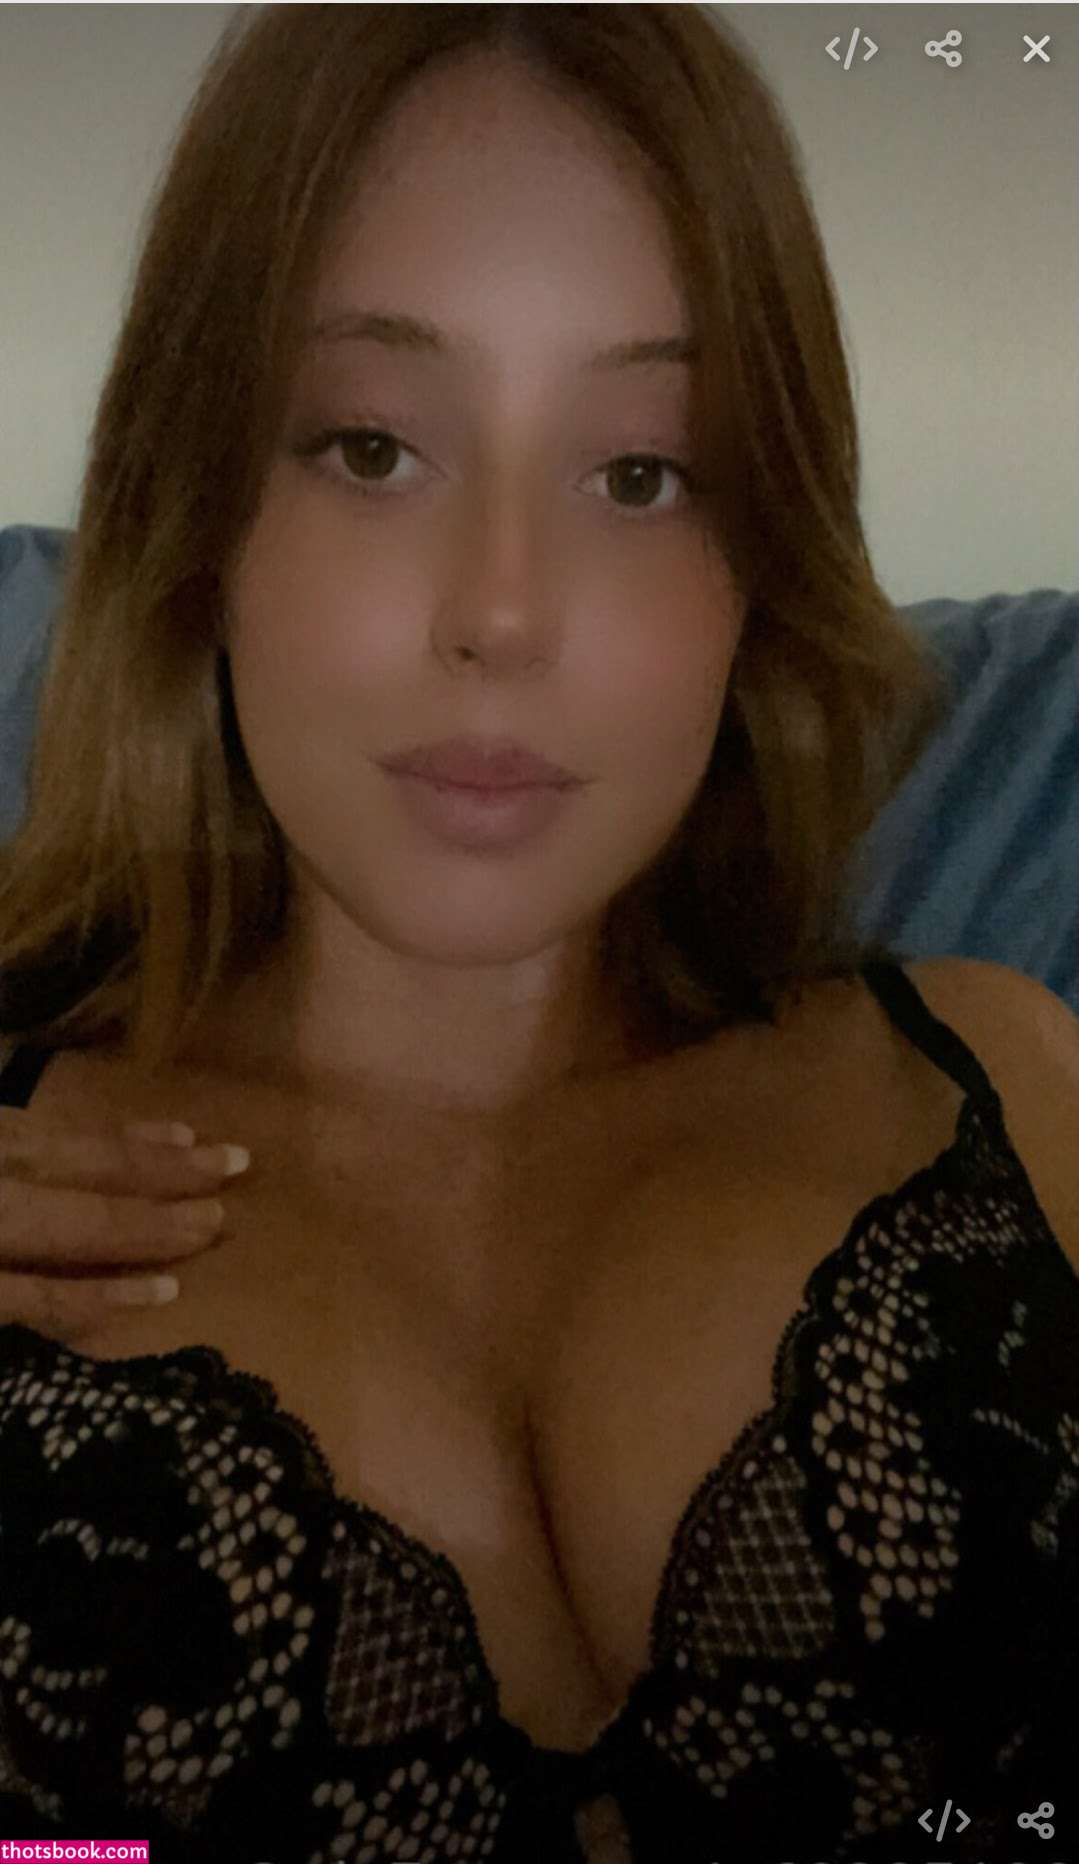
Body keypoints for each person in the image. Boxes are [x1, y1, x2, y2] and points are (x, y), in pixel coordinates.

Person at [1, 6, 1078, 1861]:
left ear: (760, 558)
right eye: (370, 448)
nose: (501, 613)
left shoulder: (1011, 1082)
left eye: (639, 473)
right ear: (197, 509)